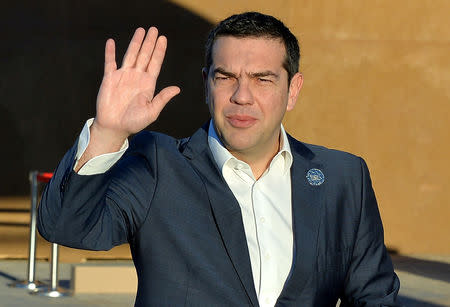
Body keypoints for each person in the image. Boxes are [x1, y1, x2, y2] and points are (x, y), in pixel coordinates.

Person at [37, 12, 400, 306]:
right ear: (206, 85)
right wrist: (108, 131)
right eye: (226, 77)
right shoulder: (158, 164)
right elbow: (65, 227)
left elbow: (374, 296)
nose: (243, 96)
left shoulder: (342, 177)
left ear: (293, 91)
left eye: (262, 79)